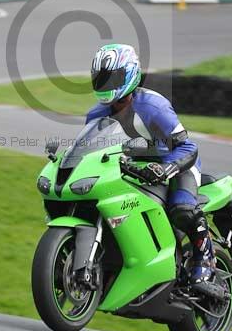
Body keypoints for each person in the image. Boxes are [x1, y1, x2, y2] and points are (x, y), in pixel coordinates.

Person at [86, 43, 215, 288]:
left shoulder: (154, 107)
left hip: (177, 165)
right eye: (100, 78)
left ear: (130, 74)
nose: (105, 83)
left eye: (111, 77)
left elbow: (188, 147)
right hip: (133, 168)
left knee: (182, 210)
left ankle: (205, 260)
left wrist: (168, 169)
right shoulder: (95, 114)